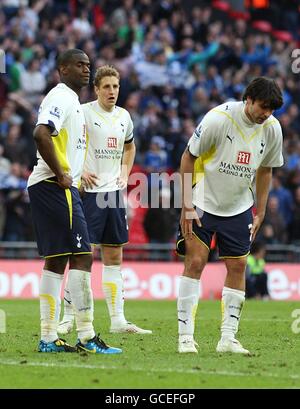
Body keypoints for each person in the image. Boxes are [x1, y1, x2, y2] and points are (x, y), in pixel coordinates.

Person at [176, 76, 283, 354]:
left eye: (271, 109)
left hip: (238, 207)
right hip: (202, 201)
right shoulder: (218, 119)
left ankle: (228, 339)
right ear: (248, 99)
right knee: (196, 262)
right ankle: (185, 337)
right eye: (263, 106)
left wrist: (259, 210)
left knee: (237, 267)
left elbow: (266, 170)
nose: (266, 114)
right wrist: (186, 204)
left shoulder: (272, 129)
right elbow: (188, 157)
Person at [27, 50, 122, 354]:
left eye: (87, 66)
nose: (85, 69)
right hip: (54, 185)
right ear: (62, 68)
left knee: (56, 261)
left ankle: (47, 337)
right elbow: (41, 133)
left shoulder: (73, 104)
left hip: (57, 187)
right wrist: (63, 174)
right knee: (83, 255)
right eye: (79, 65)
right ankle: (86, 336)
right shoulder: (61, 97)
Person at [58, 65, 152, 335]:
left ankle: (118, 321)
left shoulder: (124, 116)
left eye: (116, 87)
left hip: (113, 195)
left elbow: (130, 146)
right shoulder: (83, 112)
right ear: (96, 89)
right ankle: (67, 317)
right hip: (88, 193)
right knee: (80, 256)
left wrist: (125, 171)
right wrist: (77, 170)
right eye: (107, 87)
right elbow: (63, 142)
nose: (112, 92)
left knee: (114, 255)